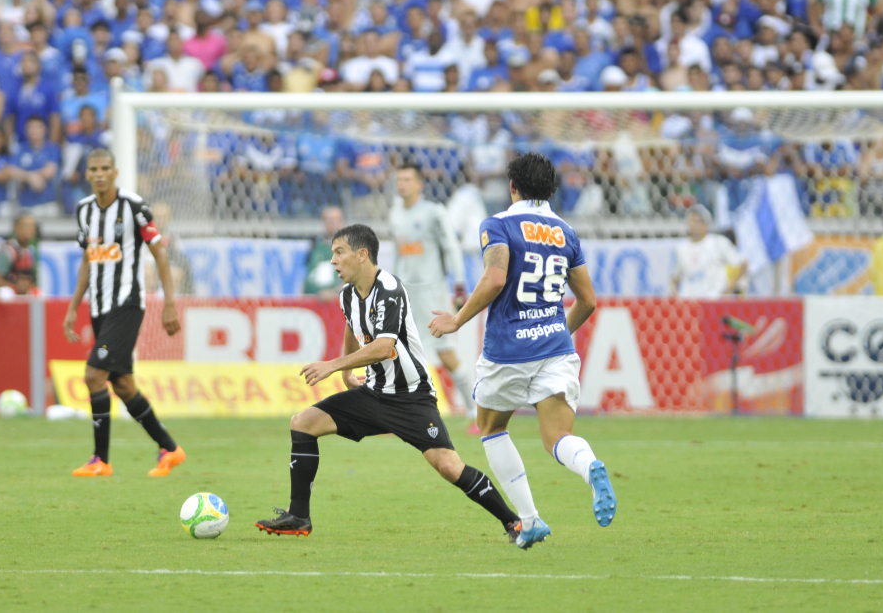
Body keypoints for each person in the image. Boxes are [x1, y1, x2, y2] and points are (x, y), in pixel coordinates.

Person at [254, 224, 522, 541]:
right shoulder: (348, 296)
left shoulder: (389, 289)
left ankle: (513, 522)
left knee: (449, 467)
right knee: (303, 423)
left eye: (339, 252)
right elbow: (352, 329)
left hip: (411, 398)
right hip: (373, 394)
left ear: (362, 254)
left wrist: (331, 365)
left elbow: (385, 346)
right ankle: (298, 516)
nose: (333, 261)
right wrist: (344, 374)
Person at [429, 152, 615, 549]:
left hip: (508, 352)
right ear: (550, 190)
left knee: (492, 428)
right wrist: (553, 332)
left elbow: (495, 279)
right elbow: (588, 300)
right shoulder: (565, 232)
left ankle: (529, 520)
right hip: (556, 348)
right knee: (558, 437)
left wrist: (457, 320)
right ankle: (590, 466)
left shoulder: (498, 224)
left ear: (512, 187)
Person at [63, 148, 185, 478]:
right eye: (94, 169)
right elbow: (88, 261)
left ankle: (100, 460)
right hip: (99, 307)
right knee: (124, 386)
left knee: (93, 376)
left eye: (105, 168)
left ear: (115, 172)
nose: (100, 174)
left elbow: (159, 253)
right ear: (86, 174)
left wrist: (169, 302)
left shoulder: (133, 207)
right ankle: (170, 450)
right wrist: (74, 307)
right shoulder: (84, 211)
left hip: (127, 304)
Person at [388, 163, 479, 434]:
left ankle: (476, 411)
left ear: (419, 184)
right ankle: (395, 418)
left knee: (446, 354)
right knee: (398, 352)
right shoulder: (395, 213)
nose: (402, 184)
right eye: (399, 179)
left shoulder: (433, 212)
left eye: (407, 179)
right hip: (407, 292)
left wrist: (459, 286)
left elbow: (451, 248)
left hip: (433, 292)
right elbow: (399, 253)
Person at [670, 206, 748, 298]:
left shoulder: (718, 242)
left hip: (714, 301)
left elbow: (743, 264)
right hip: (690, 302)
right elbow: (674, 278)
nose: (695, 225)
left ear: (706, 224)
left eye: (698, 221)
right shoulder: (681, 248)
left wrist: (727, 290)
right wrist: (676, 295)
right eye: (692, 221)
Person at [0, 213, 40, 315]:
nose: (29, 229)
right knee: (7, 293)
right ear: (17, 228)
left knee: (39, 295)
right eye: (25, 226)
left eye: (32, 226)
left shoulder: (30, 252)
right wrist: (15, 286)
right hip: (7, 292)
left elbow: (31, 280)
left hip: (20, 293)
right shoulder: (8, 251)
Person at [303, 205, 343, 301]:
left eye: (335, 219)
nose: (332, 223)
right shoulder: (315, 247)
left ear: (342, 222)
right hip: (312, 299)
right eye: (328, 220)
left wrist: (333, 292)